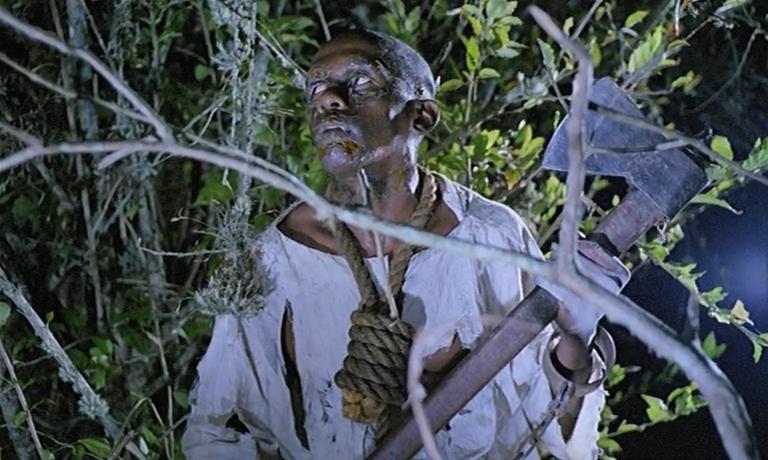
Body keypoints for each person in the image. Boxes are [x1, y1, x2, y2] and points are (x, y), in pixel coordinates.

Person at [182, 29, 628, 459]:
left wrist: (577, 337)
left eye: (361, 83)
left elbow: (551, 420)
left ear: (423, 115)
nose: (328, 99)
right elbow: (215, 430)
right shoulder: (274, 259)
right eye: (315, 89)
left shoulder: (490, 237)